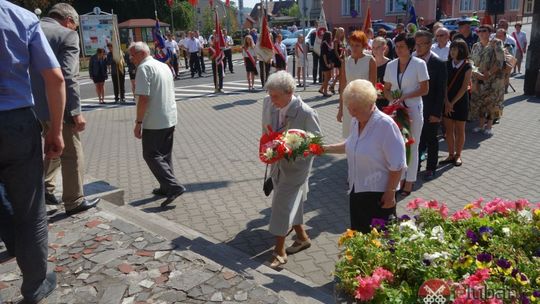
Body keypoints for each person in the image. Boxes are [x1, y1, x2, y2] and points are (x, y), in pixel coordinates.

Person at [0, 1, 66, 302]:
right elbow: (54, 77)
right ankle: (35, 285)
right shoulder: (19, 16)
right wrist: (55, 131)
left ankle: (15, 242)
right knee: (30, 210)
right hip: (16, 121)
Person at [31, 3, 101, 215]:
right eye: (75, 26)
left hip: (32, 106)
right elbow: (69, 77)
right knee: (71, 153)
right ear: (69, 20)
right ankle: (74, 200)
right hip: (57, 107)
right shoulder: (66, 36)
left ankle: (46, 187)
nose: (74, 31)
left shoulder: (31, 28)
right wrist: (75, 111)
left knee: (51, 147)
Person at [324, 79, 406, 233]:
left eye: (355, 109)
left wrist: (390, 193)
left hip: (379, 195)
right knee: (359, 237)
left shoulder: (385, 126)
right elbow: (350, 146)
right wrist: (324, 149)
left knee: (382, 242)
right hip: (357, 189)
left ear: (370, 104)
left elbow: (398, 164)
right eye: (349, 108)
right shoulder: (357, 121)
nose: (351, 113)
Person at [261, 71, 322, 268]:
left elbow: (316, 145)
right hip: (277, 163)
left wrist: (293, 148)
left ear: (289, 92)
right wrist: (269, 147)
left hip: (297, 167)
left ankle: (279, 249)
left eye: (276, 96)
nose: (272, 100)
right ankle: (302, 237)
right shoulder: (269, 102)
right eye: (270, 95)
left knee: (280, 203)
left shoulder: (306, 112)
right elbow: (266, 130)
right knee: (287, 200)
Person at [129, 42, 186, 207]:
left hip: (153, 119)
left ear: (140, 54)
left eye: (132, 55)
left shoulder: (143, 69)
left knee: (151, 154)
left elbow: (143, 98)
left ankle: (173, 186)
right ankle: (165, 186)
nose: (131, 59)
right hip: (169, 116)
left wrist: (138, 122)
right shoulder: (163, 65)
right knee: (164, 154)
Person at [383, 33, 429, 196]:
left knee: (412, 145)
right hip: (395, 110)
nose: (399, 49)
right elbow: (386, 89)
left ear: (410, 48)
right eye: (397, 46)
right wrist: (392, 99)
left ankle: (410, 181)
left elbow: (424, 89)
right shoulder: (391, 65)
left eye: (402, 46)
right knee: (398, 145)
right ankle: (399, 179)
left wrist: (404, 97)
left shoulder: (419, 64)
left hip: (413, 109)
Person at [414, 31, 447, 180]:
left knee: (431, 139)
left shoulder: (438, 63)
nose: (418, 47)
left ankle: (431, 167)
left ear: (429, 44)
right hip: (414, 107)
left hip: (430, 108)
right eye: (416, 44)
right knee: (416, 139)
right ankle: (415, 166)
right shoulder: (412, 60)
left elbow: (441, 91)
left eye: (421, 44)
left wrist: (436, 113)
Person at [338, 31, 377, 138]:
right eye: (352, 45)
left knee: (365, 136)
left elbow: (373, 87)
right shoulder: (345, 62)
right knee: (349, 137)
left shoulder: (370, 60)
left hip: (364, 104)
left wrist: (371, 107)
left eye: (357, 45)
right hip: (348, 105)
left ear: (364, 45)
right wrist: (341, 109)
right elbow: (342, 87)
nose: (354, 48)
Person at [441, 39, 472, 167]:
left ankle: (458, 155)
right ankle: (451, 154)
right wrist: (447, 102)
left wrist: (452, 103)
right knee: (448, 131)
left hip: (460, 102)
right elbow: (443, 85)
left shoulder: (467, 66)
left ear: (462, 50)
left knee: (460, 130)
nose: (452, 51)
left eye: (455, 49)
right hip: (447, 100)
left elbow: (464, 87)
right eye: (451, 49)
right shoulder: (446, 64)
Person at [470, 25, 505, 136]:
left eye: (484, 31)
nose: (481, 33)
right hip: (478, 79)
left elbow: (500, 62)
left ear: (490, 32)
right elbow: (470, 60)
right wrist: (475, 72)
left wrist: (489, 73)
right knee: (480, 102)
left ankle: (489, 126)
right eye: (479, 31)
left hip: (493, 80)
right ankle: (480, 125)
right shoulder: (476, 46)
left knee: (491, 103)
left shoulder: (496, 43)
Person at [372, 37, 390, 109]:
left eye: (378, 47)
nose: (375, 50)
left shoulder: (390, 64)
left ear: (384, 48)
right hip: (372, 101)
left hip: (387, 102)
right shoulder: (370, 63)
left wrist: (384, 95)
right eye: (373, 47)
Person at [330, 27, 345, 95]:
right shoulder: (336, 40)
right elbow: (335, 50)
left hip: (342, 57)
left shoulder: (341, 40)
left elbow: (342, 49)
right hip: (338, 58)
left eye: (343, 31)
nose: (342, 33)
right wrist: (339, 58)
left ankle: (336, 87)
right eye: (341, 31)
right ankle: (336, 87)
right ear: (338, 32)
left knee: (341, 74)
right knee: (341, 74)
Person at [319, 31, 334, 97]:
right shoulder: (324, 44)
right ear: (327, 36)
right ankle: (325, 92)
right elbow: (324, 54)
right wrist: (326, 63)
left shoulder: (328, 43)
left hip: (328, 62)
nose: (331, 37)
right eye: (330, 36)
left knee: (329, 76)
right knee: (327, 77)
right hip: (324, 62)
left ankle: (321, 89)